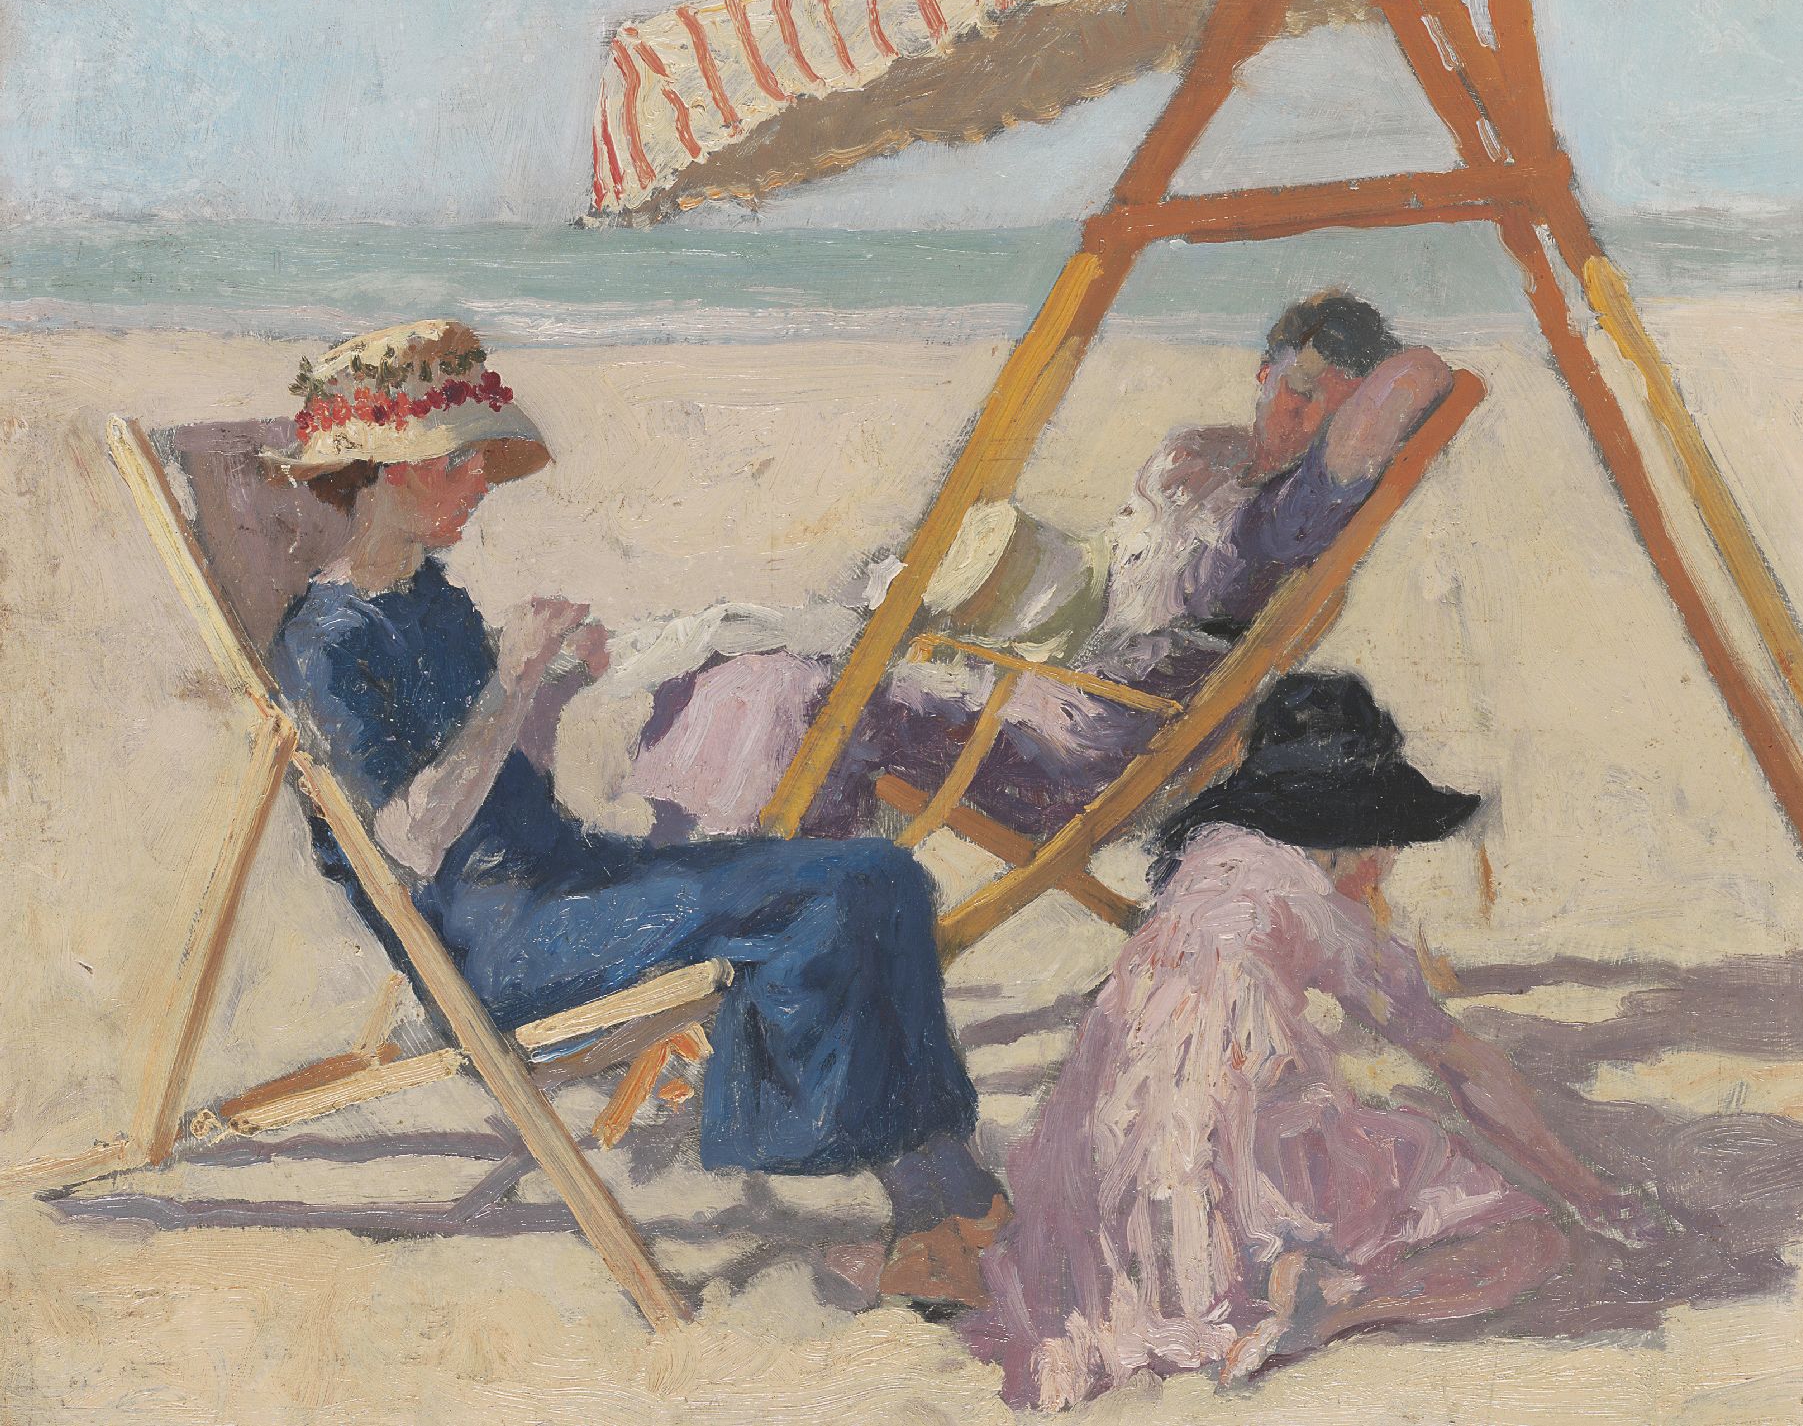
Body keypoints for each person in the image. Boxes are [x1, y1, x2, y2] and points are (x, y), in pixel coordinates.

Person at [264, 320, 1002, 1300]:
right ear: (382, 472)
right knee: (817, 903)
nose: (481, 481)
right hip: (502, 941)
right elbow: (409, 840)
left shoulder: (431, 599)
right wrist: (511, 682)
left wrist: (552, 682)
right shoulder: (322, 643)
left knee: (880, 873)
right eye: (458, 460)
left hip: (568, 880)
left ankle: (955, 1200)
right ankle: (928, 1228)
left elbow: (495, 774)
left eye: (482, 459)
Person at [964, 673, 1654, 1409]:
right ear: (1348, 832)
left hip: (1101, 1176)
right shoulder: (1311, 901)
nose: (1389, 860)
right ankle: (1336, 1309)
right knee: (1527, 1239)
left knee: (1295, 1140)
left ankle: (1282, 1283)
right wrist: (1586, 1190)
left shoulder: (1205, 871)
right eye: (1386, 838)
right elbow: (1456, 1060)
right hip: (1223, 1164)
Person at [584, 291, 1456, 842]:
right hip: (1030, 688)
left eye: (1331, 409)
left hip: (1071, 742)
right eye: (1298, 391)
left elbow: (1418, 381)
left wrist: (1390, 370)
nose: (1308, 421)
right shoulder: (1206, 460)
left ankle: (753, 892)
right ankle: (700, 864)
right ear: (1263, 373)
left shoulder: (1280, 523)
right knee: (758, 665)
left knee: (798, 693)